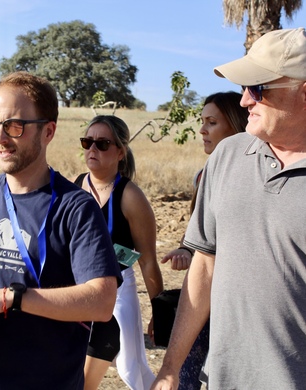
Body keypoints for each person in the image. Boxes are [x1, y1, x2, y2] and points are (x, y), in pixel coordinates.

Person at [0, 71, 122, 390]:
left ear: (48, 131)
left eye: (14, 126)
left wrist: (11, 298)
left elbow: (101, 301)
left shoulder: (77, 208)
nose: (0, 139)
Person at [152, 27, 306, 390]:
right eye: (243, 88)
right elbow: (204, 266)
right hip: (220, 380)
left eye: (259, 88)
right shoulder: (228, 155)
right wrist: (171, 368)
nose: (244, 101)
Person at [160, 91, 247, 389]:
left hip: (238, 304)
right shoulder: (203, 175)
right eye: (202, 121)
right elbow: (201, 237)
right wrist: (186, 250)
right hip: (204, 298)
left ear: (237, 126)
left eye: (212, 122)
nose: (202, 130)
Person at [72, 115, 164, 390]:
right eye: (87, 142)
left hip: (116, 295)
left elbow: (147, 261)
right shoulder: (74, 186)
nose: (92, 150)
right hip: (77, 293)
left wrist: (159, 313)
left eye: (102, 144)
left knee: (129, 369)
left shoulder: (130, 196)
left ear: (120, 152)